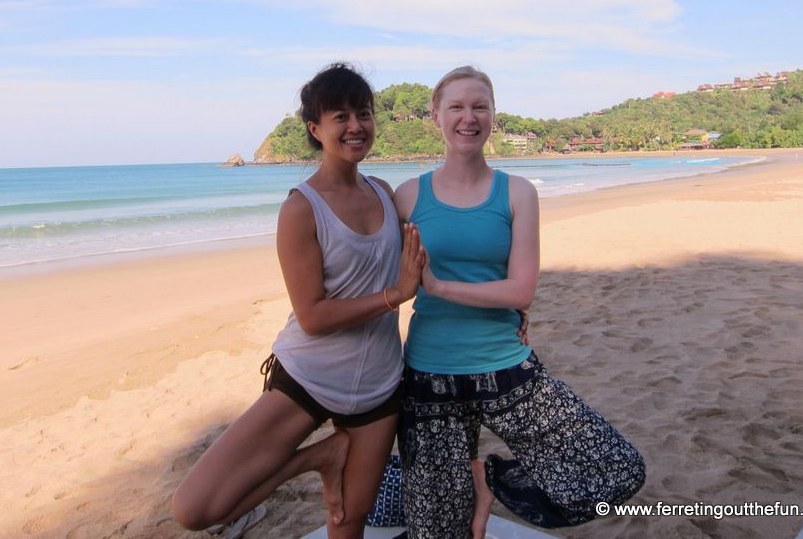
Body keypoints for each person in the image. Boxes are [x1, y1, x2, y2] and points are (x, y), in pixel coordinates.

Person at [171, 63, 425, 539]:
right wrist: (395, 296)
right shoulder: (301, 208)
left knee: (348, 523)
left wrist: (507, 312)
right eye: (341, 117)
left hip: (379, 388)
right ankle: (316, 457)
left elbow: (434, 253)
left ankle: (331, 457)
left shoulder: (385, 194)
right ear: (315, 129)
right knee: (196, 507)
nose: (356, 127)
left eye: (364, 114)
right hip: (309, 377)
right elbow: (312, 316)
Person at [393, 66, 645, 539]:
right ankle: (448, 486)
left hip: (507, 368)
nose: (469, 117)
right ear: (435, 116)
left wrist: (442, 286)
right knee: (439, 531)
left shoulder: (517, 193)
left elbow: (521, 290)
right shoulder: (405, 197)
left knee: (616, 470)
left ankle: (487, 477)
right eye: (457, 107)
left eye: (479, 106)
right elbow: (385, 282)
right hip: (429, 379)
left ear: (493, 115)